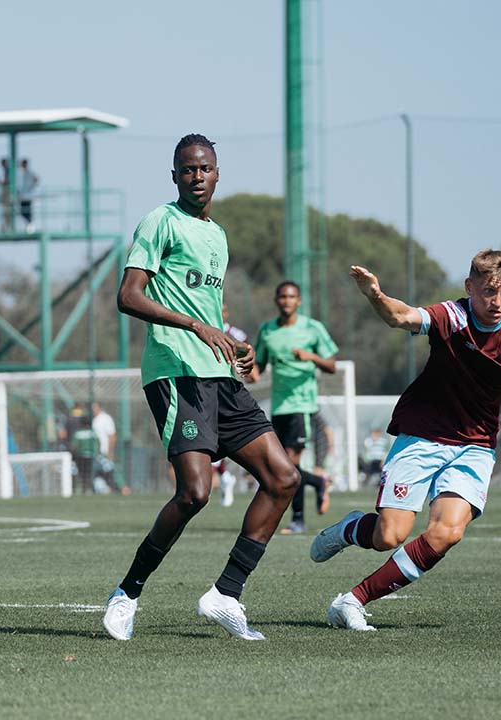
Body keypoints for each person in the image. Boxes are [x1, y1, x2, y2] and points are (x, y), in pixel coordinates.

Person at [311, 251, 501, 632]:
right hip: (423, 435)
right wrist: (375, 294)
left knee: (447, 533)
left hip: (476, 445)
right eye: (488, 291)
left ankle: (352, 601)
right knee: (389, 535)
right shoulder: (452, 317)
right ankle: (350, 528)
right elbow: (401, 316)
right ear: (469, 286)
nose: (497, 302)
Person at [101, 134, 300, 642]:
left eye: (205, 168)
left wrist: (235, 345)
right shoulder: (159, 221)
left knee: (283, 478)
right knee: (195, 492)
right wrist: (193, 327)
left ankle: (226, 594)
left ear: (217, 174)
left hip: (219, 374)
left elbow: (208, 312)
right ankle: (127, 593)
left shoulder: (219, 236)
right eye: (187, 169)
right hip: (175, 373)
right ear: (174, 175)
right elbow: (128, 296)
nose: (196, 176)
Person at [253, 281, 339, 534]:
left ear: (298, 301)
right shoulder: (267, 331)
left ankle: (298, 518)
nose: (286, 301)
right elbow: (258, 365)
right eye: (282, 297)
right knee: (282, 466)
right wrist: (249, 372)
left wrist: (310, 356)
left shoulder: (312, 329)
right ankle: (319, 482)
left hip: (303, 405)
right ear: (276, 301)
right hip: (279, 406)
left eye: (291, 297)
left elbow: (332, 365)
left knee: (289, 466)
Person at [91, 402, 128, 495]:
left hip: (105, 451)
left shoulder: (106, 418)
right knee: (99, 473)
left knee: (113, 469)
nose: (93, 409)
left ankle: (124, 488)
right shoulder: (94, 419)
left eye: (94, 407)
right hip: (98, 452)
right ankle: (107, 489)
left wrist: (110, 451)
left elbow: (112, 436)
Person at [19, 158, 39, 232]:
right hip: (23, 196)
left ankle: (30, 226)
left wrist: (32, 186)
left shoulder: (30, 172)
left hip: (28, 196)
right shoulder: (21, 173)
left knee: (28, 212)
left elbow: (37, 179)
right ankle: (29, 225)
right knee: (22, 212)